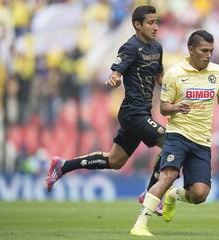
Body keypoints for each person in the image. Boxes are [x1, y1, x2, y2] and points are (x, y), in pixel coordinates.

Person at [45, 5, 165, 214]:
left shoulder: (157, 48)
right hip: (132, 112)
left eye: (157, 22)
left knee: (115, 161)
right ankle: (151, 194)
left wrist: (177, 89)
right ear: (137, 25)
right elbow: (117, 72)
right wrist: (115, 78)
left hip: (143, 113)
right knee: (171, 141)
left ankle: (63, 166)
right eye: (151, 22)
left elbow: (160, 77)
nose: (155, 27)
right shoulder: (130, 47)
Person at [130, 30, 219, 236]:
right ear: (191, 49)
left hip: (202, 141)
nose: (208, 55)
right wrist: (177, 107)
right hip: (177, 135)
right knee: (168, 175)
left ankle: (174, 195)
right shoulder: (174, 74)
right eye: (204, 51)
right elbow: (163, 108)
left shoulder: (218, 73)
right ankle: (140, 224)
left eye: (211, 51)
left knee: (199, 195)